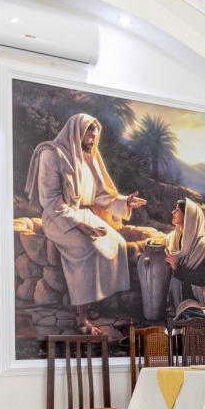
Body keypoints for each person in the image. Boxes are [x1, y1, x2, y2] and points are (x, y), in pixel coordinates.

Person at [26, 113, 145, 320]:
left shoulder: (89, 158)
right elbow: (50, 201)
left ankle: (99, 302)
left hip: (84, 214)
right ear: (76, 132)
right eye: (90, 136)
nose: (93, 141)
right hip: (59, 218)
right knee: (86, 246)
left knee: (118, 243)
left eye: (96, 137)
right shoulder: (51, 155)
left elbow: (100, 195)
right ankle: (81, 315)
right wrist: (78, 224)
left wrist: (125, 202)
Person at [166, 197, 205, 321]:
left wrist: (177, 268)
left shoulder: (203, 246)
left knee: (196, 317)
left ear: (188, 217)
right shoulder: (173, 238)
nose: (173, 212)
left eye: (177, 210)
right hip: (186, 292)